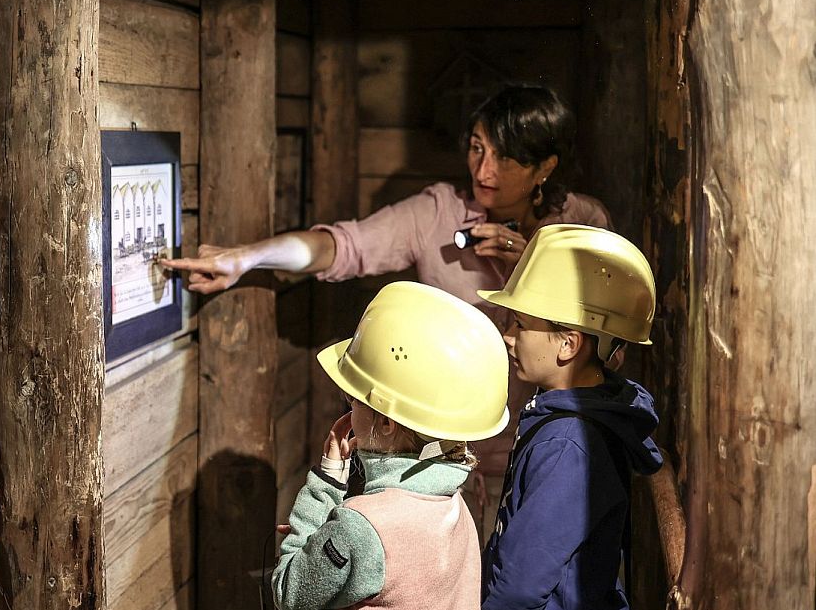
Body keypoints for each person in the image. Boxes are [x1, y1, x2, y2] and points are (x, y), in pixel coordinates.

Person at [162, 84, 611, 534]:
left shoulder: (583, 224)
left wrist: (531, 262)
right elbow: (342, 245)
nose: (484, 168)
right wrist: (246, 258)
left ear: (544, 167)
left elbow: (606, 346)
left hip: (548, 455)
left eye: (506, 157)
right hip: (444, 466)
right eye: (477, 148)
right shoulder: (438, 214)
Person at [272, 281, 509, 610]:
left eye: (355, 399)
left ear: (385, 421)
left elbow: (291, 596)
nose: (350, 406)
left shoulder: (358, 527)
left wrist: (325, 485)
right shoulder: (454, 507)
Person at [477, 224, 663, 610]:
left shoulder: (567, 445)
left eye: (521, 325)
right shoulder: (575, 419)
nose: (509, 337)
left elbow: (520, 587)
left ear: (569, 344)